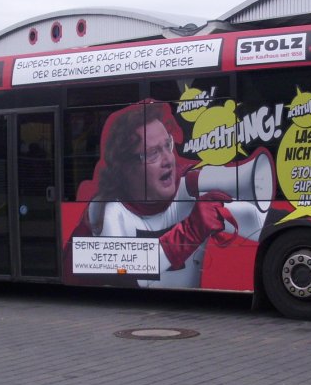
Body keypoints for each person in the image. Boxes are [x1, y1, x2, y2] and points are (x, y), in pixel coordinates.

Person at [69, 101, 237, 287]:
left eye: (167, 145)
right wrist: (191, 231)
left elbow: (254, 217)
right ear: (125, 168)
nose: (168, 160)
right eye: (152, 153)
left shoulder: (179, 191)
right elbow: (126, 274)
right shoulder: (108, 210)